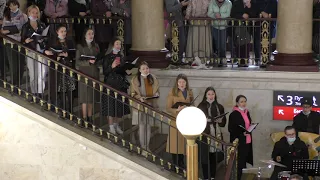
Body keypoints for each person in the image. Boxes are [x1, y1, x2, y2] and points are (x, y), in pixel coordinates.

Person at [100, 37, 131, 135]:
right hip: (110, 83)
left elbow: (121, 70)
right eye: (117, 44)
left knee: (119, 106)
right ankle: (111, 127)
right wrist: (111, 66)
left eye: (120, 44)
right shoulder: (107, 57)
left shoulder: (121, 57)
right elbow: (105, 72)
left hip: (120, 84)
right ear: (113, 45)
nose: (119, 46)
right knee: (110, 105)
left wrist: (127, 71)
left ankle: (116, 125)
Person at [45, 25, 76, 113]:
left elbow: (74, 53)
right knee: (61, 89)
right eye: (62, 31)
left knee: (70, 89)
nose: (64, 33)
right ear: (57, 32)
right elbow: (48, 52)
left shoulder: (69, 41)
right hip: (57, 68)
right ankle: (62, 109)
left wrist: (68, 55)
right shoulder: (53, 41)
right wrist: (57, 55)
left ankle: (70, 110)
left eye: (65, 31)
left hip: (68, 67)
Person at [197, 87, 226, 180]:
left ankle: (213, 176)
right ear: (206, 95)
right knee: (205, 156)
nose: (211, 96)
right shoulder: (201, 106)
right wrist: (206, 120)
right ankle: (206, 177)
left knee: (214, 155)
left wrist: (220, 120)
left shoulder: (219, 106)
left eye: (212, 94)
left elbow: (223, 123)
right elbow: (197, 120)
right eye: (209, 94)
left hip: (216, 133)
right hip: (205, 134)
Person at [166, 73, 194, 168]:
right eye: (180, 82)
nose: (181, 84)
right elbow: (168, 108)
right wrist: (176, 110)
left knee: (183, 143)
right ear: (177, 83)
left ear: (186, 83)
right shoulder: (172, 92)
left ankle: (181, 163)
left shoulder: (189, 92)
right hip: (176, 120)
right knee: (175, 144)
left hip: (186, 120)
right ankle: (175, 163)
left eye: (183, 82)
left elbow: (192, 104)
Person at [130, 61, 159, 151]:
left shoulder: (153, 78)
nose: (146, 70)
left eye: (147, 68)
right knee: (142, 126)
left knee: (148, 126)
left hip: (150, 104)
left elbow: (157, 90)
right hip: (140, 105)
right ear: (139, 70)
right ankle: (143, 147)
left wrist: (156, 94)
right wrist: (139, 97)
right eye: (143, 69)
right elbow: (132, 93)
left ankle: (147, 146)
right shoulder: (135, 79)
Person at [21, 5, 48, 100]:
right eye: (33, 12)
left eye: (36, 13)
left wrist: (42, 40)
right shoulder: (25, 26)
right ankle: (34, 93)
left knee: (42, 74)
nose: (35, 14)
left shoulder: (42, 25)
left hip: (41, 52)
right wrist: (26, 41)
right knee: (33, 75)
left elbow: (46, 37)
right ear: (28, 13)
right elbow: (22, 40)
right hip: (31, 51)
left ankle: (40, 93)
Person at [75, 28, 100, 124]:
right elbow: (77, 62)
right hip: (84, 73)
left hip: (93, 73)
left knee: (91, 97)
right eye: (89, 33)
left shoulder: (96, 46)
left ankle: (90, 117)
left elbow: (98, 58)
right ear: (85, 35)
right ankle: (84, 117)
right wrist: (88, 62)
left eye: (92, 34)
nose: (91, 35)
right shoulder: (80, 46)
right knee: (85, 97)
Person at [1, 0, 27, 89]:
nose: (12, 7)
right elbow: (3, 27)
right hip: (9, 42)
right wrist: (9, 30)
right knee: (12, 64)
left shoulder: (23, 15)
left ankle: (18, 83)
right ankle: (13, 83)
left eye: (14, 5)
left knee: (20, 64)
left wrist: (9, 30)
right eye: (10, 6)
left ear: (17, 5)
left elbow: (21, 28)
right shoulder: (6, 15)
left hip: (19, 42)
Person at [228, 95, 253, 180]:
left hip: (246, 140)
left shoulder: (247, 112)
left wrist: (251, 128)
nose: (243, 103)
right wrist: (242, 133)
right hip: (239, 141)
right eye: (241, 102)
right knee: (238, 162)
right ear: (237, 103)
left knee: (242, 163)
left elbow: (248, 124)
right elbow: (231, 129)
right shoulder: (234, 114)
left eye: (245, 101)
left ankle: (240, 177)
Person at [207, 0, 232, 66]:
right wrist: (215, 15)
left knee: (223, 44)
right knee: (216, 44)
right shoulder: (212, 2)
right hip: (214, 26)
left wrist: (220, 15)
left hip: (224, 26)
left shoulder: (228, 3)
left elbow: (228, 13)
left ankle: (223, 60)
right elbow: (209, 13)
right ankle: (217, 60)